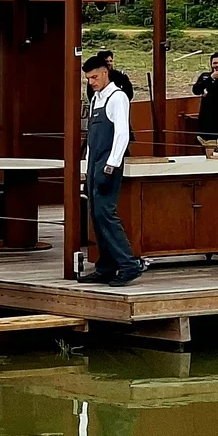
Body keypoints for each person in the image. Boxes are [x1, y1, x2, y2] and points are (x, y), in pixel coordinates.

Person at [81, 51, 143, 286]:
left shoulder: (117, 97)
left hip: (108, 164)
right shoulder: (96, 98)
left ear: (105, 73)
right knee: (96, 216)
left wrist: (111, 166)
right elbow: (92, 137)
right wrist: (87, 166)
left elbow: (121, 134)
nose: (91, 82)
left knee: (106, 213)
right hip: (94, 163)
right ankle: (105, 266)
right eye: (88, 79)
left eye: (94, 77)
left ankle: (129, 264)